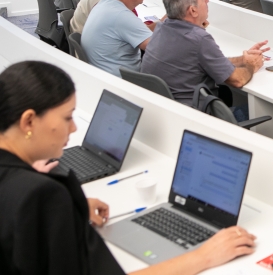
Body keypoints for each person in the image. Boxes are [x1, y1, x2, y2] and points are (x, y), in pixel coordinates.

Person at [0, 61, 256, 275]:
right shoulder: (40, 196)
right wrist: (203, 257)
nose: (74, 128)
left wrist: (69, 209)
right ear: (29, 120)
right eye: (67, 118)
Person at [141, 0, 267, 106]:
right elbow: (238, 80)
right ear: (193, 11)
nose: (208, 0)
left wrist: (243, 59)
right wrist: (251, 65)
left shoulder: (161, 28)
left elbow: (206, 61)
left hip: (169, 112)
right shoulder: (198, 39)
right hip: (197, 116)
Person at [82, 0, 154, 77]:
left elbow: (136, 30)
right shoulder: (122, 16)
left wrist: (164, 21)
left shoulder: (105, 3)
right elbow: (157, 49)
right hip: (123, 82)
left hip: (102, 74)